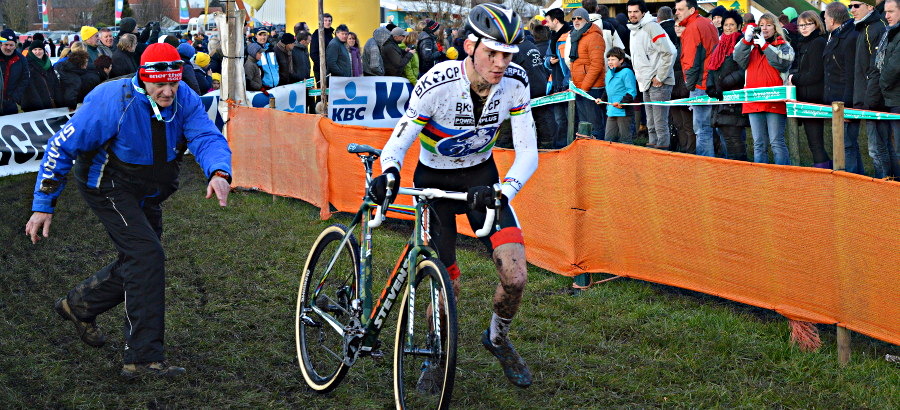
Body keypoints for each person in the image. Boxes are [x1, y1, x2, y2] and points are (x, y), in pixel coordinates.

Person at [25, 43, 232, 379]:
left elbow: (206, 136)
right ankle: (141, 358)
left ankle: (79, 305)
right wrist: (43, 205)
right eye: (160, 84)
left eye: (173, 84)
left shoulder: (185, 97)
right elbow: (60, 147)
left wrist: (219, 170)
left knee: (141, 260)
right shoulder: (111, 100)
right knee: (146, 256)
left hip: (149, 190)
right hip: (107, 184)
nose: (168, 92)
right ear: (144, 79)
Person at [371, 2, 536, 390]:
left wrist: (501, 190)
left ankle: (497, 339)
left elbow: (528, 151)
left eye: (507, 54)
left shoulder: (516, 82)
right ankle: (435, 351)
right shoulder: (436, 83)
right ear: (469, 46)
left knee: (515, 276)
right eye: (492, 52)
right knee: (448, 285)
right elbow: (398, 141)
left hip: (483, 180)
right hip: (434, 184)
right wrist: (389, 173)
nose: (500, 63)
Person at [733, 12, 794, 165]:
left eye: (768, 25)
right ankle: (761, 180)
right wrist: (746, 41)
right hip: (753, 100)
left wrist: (765, 46)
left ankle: (783, 177)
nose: (765, 29)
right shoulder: (751, 47)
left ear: (775, 27)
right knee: (758, 144)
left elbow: (783, 62)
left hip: (775, 100)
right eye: (761, 25)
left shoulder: (783, 45)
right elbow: (737, 58)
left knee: (776, 142)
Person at [627, 0, 677, 149]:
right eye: (630, 12)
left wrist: (660, 77)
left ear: (643, 12)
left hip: (658, 82)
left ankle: (663, 155)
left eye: (635, 11)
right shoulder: (634, 29)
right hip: (645, 81)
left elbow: (670, 52)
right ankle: (652, 155)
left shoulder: (652, 27)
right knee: (651, 123)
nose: (632, 15)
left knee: (660, 123)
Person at [851, 0, 891, 178]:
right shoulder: (863, 28)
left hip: (875, 101)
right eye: (850, 6)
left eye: (856, 6)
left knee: (877, 148)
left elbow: (876, 70)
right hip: (868, 98)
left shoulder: (877, 28)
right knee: (878, 148)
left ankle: (885, 188)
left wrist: (869, 101)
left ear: (870, 7)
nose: (852, 10)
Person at [675, 0, 719, 156]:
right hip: (711, 80)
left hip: (701, 84)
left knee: (701, 129)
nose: (677, 13)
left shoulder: (693, 27)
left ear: (692, 9)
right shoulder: (706, 22)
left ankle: (705, 165)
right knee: (712, 127)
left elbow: (691, 61)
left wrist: (690, 85)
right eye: (676, 9)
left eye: (680, 9)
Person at [788, 11, 831, 168]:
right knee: (812, 141)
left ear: (816, 24)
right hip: (805, 97)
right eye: (800, 25)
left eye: (807, 24)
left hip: (814, 98)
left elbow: (815, 74)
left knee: (815, 141)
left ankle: (824, 170)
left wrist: (794, 79)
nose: (803, 28)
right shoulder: (803, 42)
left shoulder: (818, 42)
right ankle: (823, 169)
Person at [705, 10, 749, 161]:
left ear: (739, 26)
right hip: (721, 100)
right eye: (725, 24)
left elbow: (744, 71)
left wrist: (723, 84)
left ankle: (740, 171)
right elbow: (712, 67)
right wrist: (710, 86)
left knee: (735, 140)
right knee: (724, 138)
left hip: (734, 100)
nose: (728, 28)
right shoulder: (720, 44)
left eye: (732, 25)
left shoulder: (742, 44)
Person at [823, 2, 858, 170]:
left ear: (832, 19)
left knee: (847, 146)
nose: (824, 20)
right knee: (846, 144)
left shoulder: (849, 37)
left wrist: (847, 107)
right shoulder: (837, 35)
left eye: (825, 17)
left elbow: (850, 75)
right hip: (836, 100)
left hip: (844, 102)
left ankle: (850, 183)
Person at [569, 7, 607, 140]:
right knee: (584, 124)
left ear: (586, 20)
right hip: (580, 88)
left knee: (594, 124)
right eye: (574, 18)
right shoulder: (576, 35)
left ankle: (599, 151)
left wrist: (584, 87)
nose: (576, 21)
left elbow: (596, 65)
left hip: (592, 88)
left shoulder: (594, 37)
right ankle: (587, 151)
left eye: (579, 18)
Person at [544, 8, 573, 148]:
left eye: (548, 21)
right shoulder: (553, 37)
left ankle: (569, 146)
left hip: (566, 84)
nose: (546, 24)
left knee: (570, 118)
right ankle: (560, 147)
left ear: (555, 20)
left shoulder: (570, 36)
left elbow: (572, 63)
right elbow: (547, 57)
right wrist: (549, 61)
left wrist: (567, 81)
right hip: (555, 83)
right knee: (559, 119)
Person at [878, 0, 900, 176]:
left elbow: (893, 67)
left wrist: (881, 85)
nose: (886, 16)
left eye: (891, 11)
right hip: (892, 97)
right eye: (885, 12)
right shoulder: (890, 32)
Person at [670, 19, 696, 154]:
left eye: (681, 26)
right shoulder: (675, 43)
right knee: (678, 124)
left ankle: (690, 151)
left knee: (688, 124)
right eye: (676, 26)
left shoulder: (690, 43)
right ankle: (683, 151)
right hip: (674, 88)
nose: (678, 28)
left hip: (686, 87)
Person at [602, 47, 637, 143]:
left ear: (621, 60)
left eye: (613, 59)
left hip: (623, 112)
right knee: (609, 139)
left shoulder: (627, 72)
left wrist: (622, 103)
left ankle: (627, 157)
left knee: (625, 139)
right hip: (611, 111)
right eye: (608, 59)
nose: (610, 62)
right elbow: (607, 90)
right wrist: (601, 100)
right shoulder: (609, 73)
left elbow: (632, 91)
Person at [22, 40, 59, 112]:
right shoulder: (26, 65)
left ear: (44, 50)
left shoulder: (48, 63)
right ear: (31, 51)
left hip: (51, 102)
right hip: (34, 106)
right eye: (35, 49)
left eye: (40, 49)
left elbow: (55, 82)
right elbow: (27, 89)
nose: (37, 52)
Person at [0, 29, 31, 115]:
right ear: (1, 44)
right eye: (6, 45)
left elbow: (25, 79)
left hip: (11, 104)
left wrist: (15, 97)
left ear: (15, 45)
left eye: (11, 45)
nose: (8, 48)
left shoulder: (21, 59)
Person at [310, 13, 335, 85]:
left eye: (329, 21)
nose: (328, 22)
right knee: (321, 90)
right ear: (322, 22)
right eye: (325, 20)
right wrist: (322, 65)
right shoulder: (317, 33)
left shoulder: (331, 34)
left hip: (331, 68)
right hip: (320, 68)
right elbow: (313, 53)